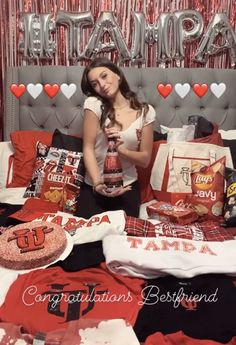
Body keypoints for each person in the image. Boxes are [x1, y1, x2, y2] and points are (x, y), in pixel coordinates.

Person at [76, 57, 156, 218]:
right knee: (88, 242)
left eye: (104, 76)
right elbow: (88, 148)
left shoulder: (145, 112)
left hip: (127, 189)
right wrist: (98, 184)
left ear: (118, 74)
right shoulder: (93, 104)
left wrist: (121, 150)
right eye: (95, 84)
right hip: (95, 189)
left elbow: (145, 160)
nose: (102, 85)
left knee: (123, 240)